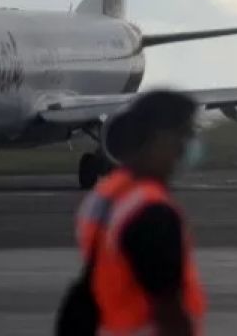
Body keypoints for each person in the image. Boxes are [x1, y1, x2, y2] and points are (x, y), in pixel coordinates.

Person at [70, 89, 208, 336]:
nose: (186, 149)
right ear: (159, 139)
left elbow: (86, 290)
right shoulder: (152, 211)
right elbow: (167, 306)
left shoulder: (104, 197)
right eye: (184, 137)